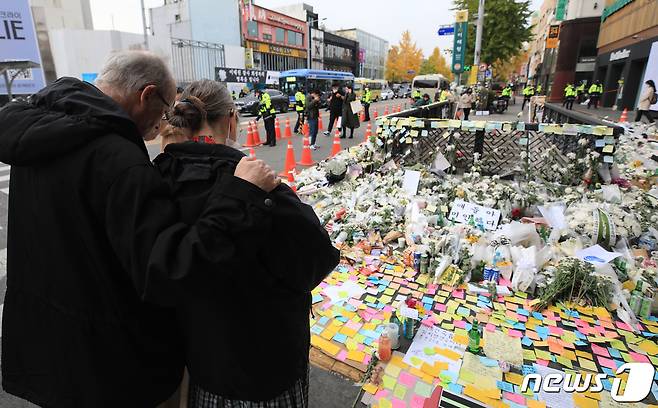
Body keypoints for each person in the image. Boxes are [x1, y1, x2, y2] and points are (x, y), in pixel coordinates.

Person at [0, 50, 279, 408]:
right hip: (110, 364)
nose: (162, 124)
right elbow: (169, 269)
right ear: (146, 95)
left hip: (49, 348)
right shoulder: (119, 161)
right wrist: (241, 198)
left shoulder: (40, 132)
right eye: (163, 111)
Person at [155, 80, 339, 408]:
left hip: (202, 367)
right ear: (231, 119)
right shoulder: (260, 185)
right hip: (266, 371)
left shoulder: (156, 182)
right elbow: (317, 257)